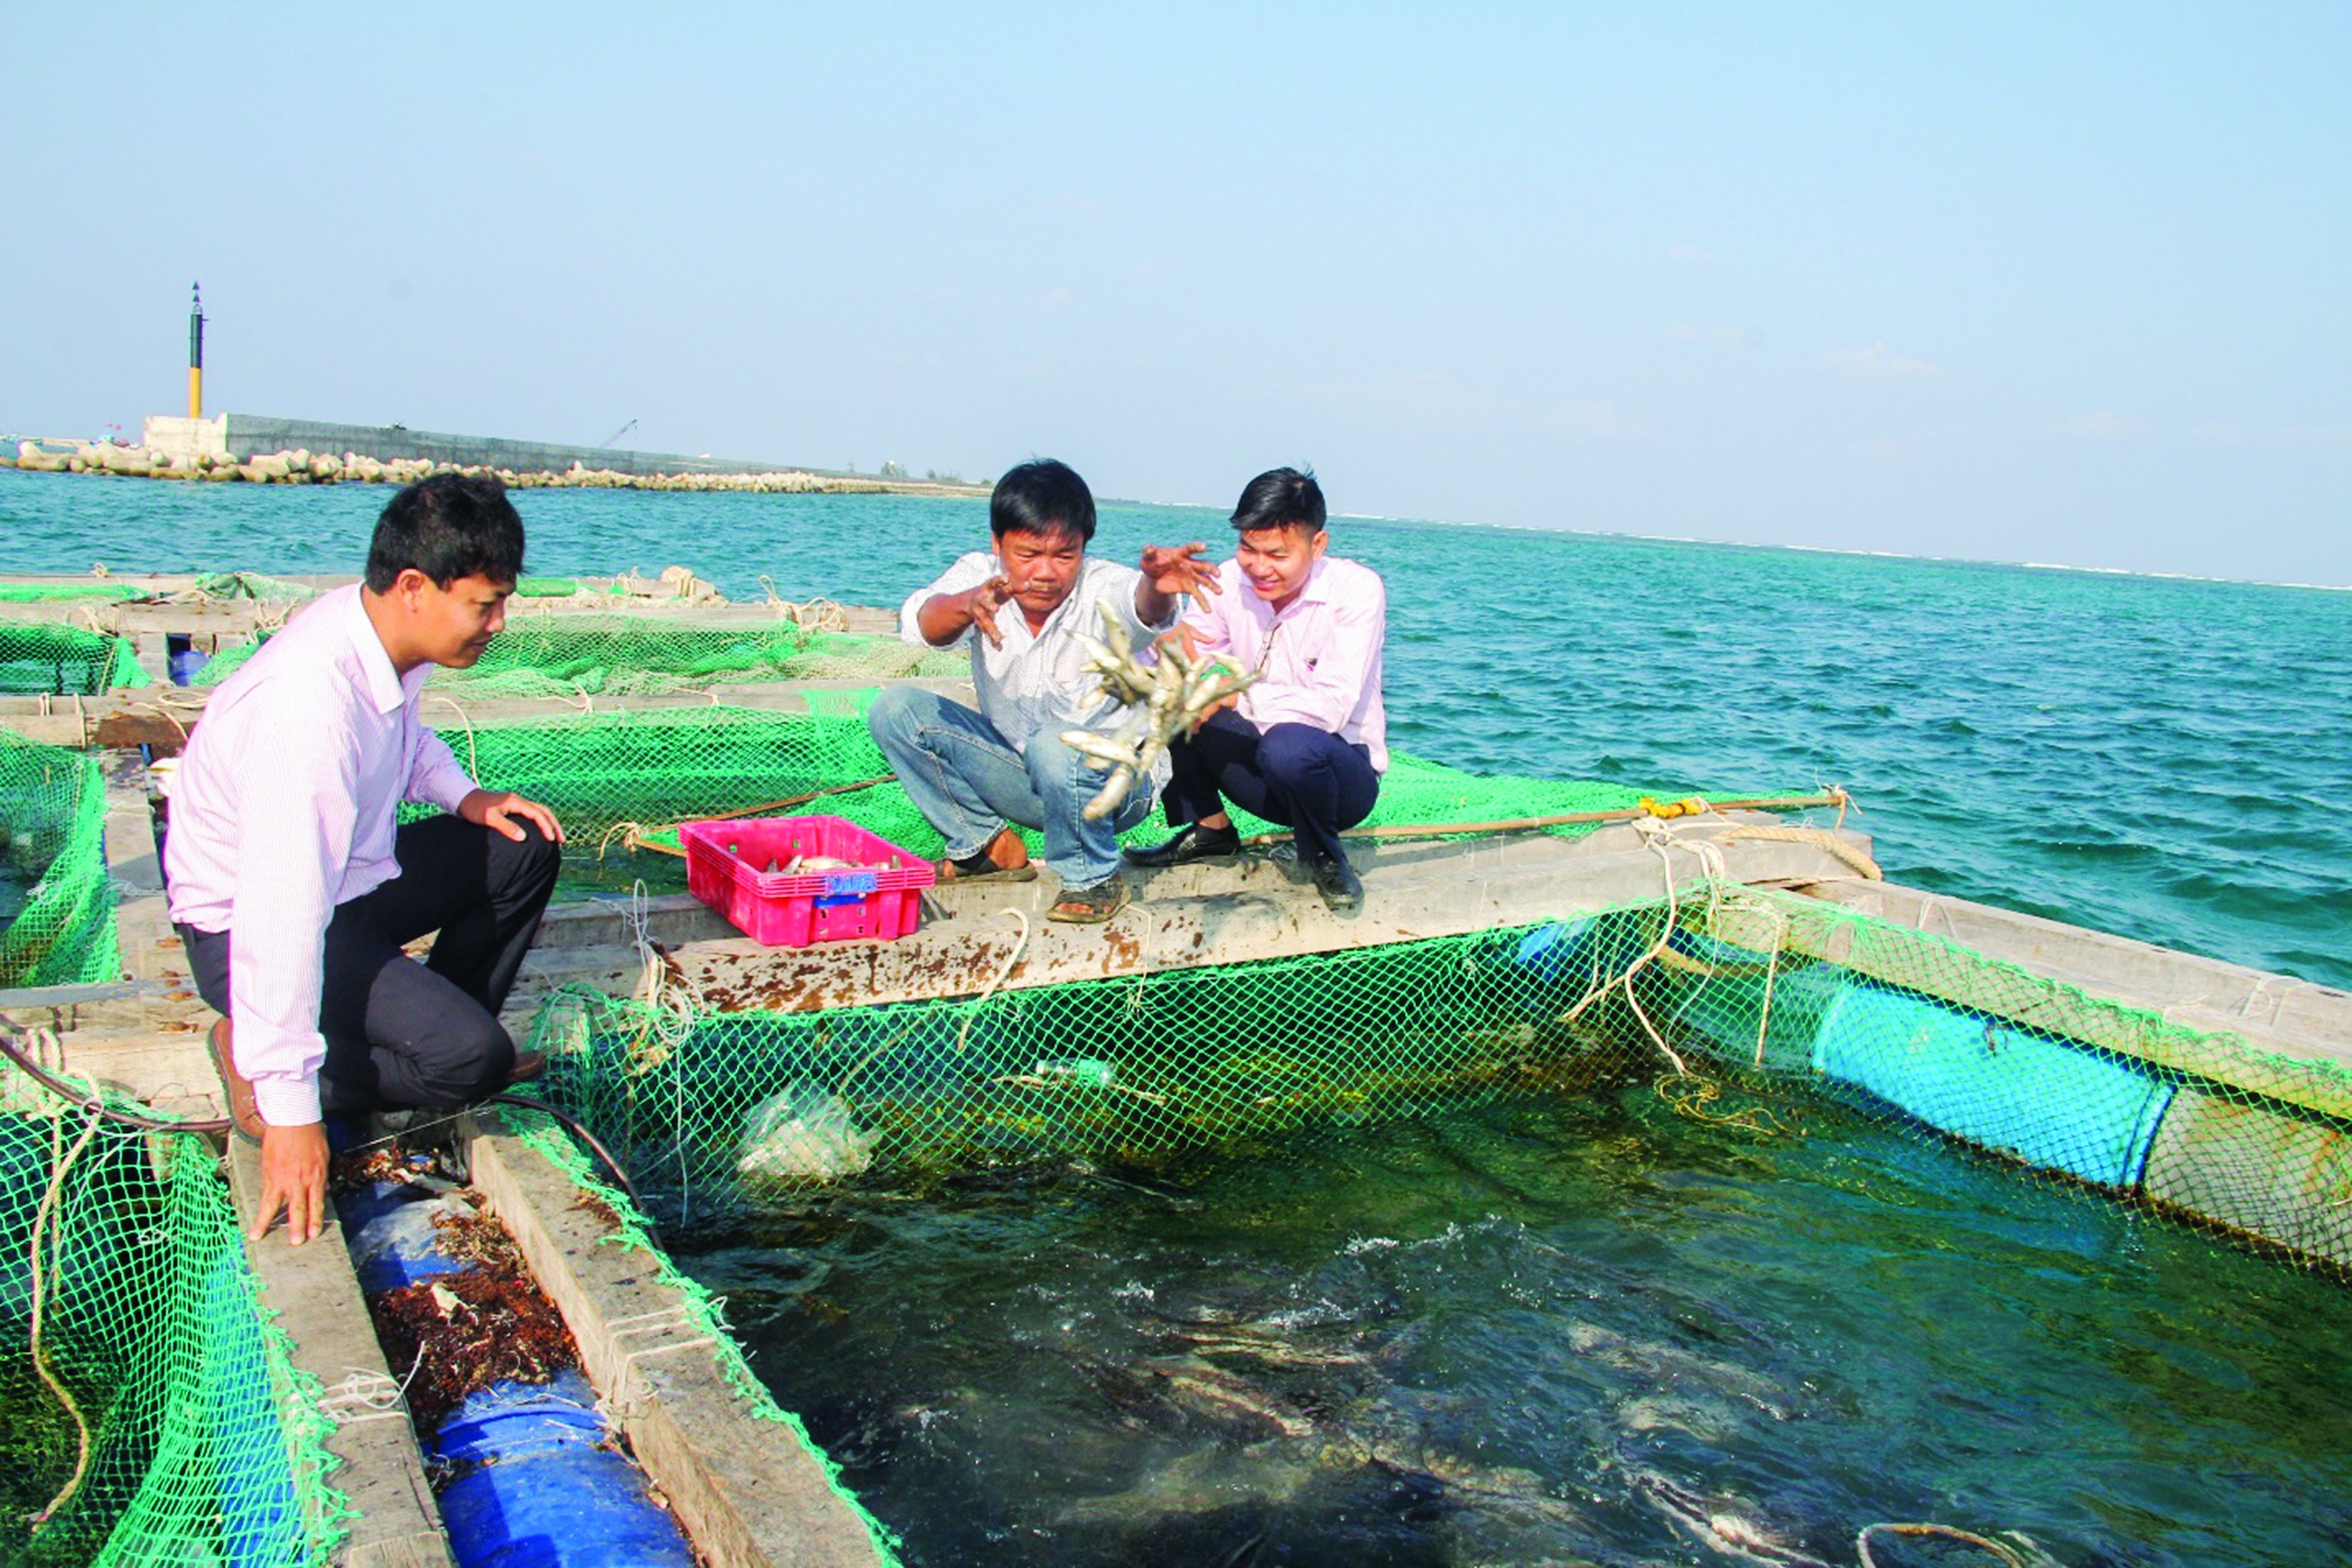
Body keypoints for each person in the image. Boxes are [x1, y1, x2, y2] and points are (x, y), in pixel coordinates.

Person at [165, 473, 567, 1246]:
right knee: (477, 1058)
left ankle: (432, 1045)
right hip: (244, 930)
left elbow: (406, 740)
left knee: (525, 844)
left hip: (349, 883)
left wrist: (466, 797)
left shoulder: (380, 635)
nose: (499, 623)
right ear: (414, 586)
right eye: (484, 605)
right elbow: (281, 914)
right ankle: (269, 1056)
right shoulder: (308, 709)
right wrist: (292, 1113)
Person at [866, 458, 1217, 923]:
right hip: (1023, 775)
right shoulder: (978, 574)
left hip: (1114, 787)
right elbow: (924, 624)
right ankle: (985, 848)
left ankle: (1092, 878)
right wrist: (968, 606)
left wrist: (1156, 585)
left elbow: (1142, 608)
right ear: (998, 545)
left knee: (1054, 741)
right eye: (1029, 555)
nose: (1046, 573)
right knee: (896, 710)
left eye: (1064, 555)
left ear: (1084, 548)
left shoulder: (1104, 585)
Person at [1125, 467, 1387, 912]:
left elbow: (1333, 709)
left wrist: (1233, 694)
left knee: (1289, 745)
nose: (1259, 568)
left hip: (1339, 779)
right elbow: (1189, 653)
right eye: (1248, 548)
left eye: (1277, 554)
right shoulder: (1228, 578)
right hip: (1256, 769)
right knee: (1169, 689)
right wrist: (1159, 617)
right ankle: (1210, 829)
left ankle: (1325, 853)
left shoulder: (1356, 590)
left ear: (1317, 545)